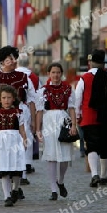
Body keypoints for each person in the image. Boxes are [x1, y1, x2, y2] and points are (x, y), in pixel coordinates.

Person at [0, 46, 37, 176]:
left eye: (14, 58)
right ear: (2, 61)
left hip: (20, 112)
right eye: (10, 59)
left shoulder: (23, 77)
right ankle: (3, 172)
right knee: (1, 143)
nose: (14, 61)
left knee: (21, 141)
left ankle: (21, 176)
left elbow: (32, 99)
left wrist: (33, 120)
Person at [75, 49, 107, 187]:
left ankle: (94, 174)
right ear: (103, 63)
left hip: (89, 117)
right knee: (106, 145)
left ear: (90, 63)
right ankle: (104, 175)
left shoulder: (84, 78)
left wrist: (78, 115)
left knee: (92, 146)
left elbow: (78, 98)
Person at [36, 62, 78, 200]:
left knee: (65, 157)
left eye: (58, 72)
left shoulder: (68, 88)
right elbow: (39, 111)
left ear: (61, 73)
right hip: (48, 122)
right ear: (49, 74)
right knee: (51, 156)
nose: (55, 75)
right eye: (53, 72)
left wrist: (73, 125)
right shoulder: (43, 90)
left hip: (63, 121)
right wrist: (38, 129)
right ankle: (53, 189)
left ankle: (60, 181)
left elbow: (72, 108)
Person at [0, 85, 27, 207]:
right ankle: (7, 196)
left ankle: (15, 189)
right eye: (3, 98)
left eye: (9, 97)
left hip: (15, 141)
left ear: (14, 99)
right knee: (4, 169)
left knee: (16, 168)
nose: (6, 100)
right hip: (1, 143)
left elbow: (22, 129)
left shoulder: (18, 113)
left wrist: (25, 140)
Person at [15, 52, 39, 182]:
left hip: (14, 110)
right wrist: (35, 119)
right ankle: (26, 164)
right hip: (26, 110)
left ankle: (17, 170)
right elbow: (35, 98)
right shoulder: (33, 77)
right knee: (26, 137)